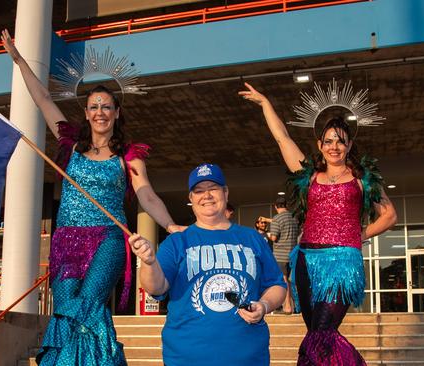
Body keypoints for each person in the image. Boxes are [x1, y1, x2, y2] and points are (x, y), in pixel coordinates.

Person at [1, 30, 184, 365]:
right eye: (94, 106)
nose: (100, 112)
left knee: (87, 301)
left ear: (116, 112)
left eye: (107, 107)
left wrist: (171, 225)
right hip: (67, 238)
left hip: (109, 238)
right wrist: (18, 60)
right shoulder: (70, 145)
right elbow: (42, 98)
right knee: (67, 304)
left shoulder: (128, 155)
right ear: (85, 113)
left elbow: (146, 195)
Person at [240, 83, 396, 365]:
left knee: (322, 331)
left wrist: (358, 235)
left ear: (349, 144)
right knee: (315, 332)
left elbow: (389, 215)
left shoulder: (363, 178)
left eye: (340, 141)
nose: (334, 147)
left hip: (341, 262)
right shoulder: (309, 174)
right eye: (328, 141)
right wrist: (265, 103)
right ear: (319, 145)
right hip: (306, 261)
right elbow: (282, 138)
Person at [129, 163, 286, 366]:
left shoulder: (252, 238)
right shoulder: (177, 242)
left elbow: (277, 285)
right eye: (199, 191)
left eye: (213, 188)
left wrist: (264, 306)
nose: (207, 195)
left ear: (226, 192)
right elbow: (155, 288)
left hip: (248, 357)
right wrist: (149, 261)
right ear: (191, 199)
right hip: (186, 357)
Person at [267, 196, 298, 314]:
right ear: (286, 205)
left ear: (275, 206)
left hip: (280, 255)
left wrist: (267, 233)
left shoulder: (277, 218)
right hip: (294, 253)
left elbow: (274, 238)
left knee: (284, 281)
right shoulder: (294, 217)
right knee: (293, 281)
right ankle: (295, 306)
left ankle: (287, 306)